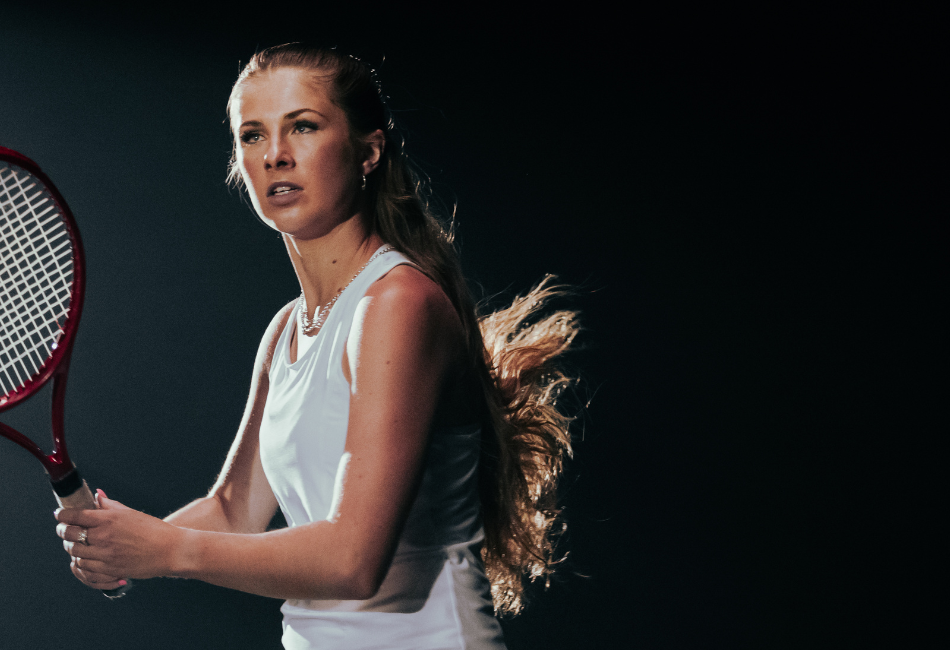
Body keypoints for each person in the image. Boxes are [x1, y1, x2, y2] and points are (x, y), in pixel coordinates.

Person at [54, 43, 578, 649]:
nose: (276, 155)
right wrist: (125, 546)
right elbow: (231, 511)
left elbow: (353, 559)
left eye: (303, 126)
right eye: (253, 135)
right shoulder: (286, 330)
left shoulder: (398, 303)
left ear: (368, 152)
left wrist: (170, 551)